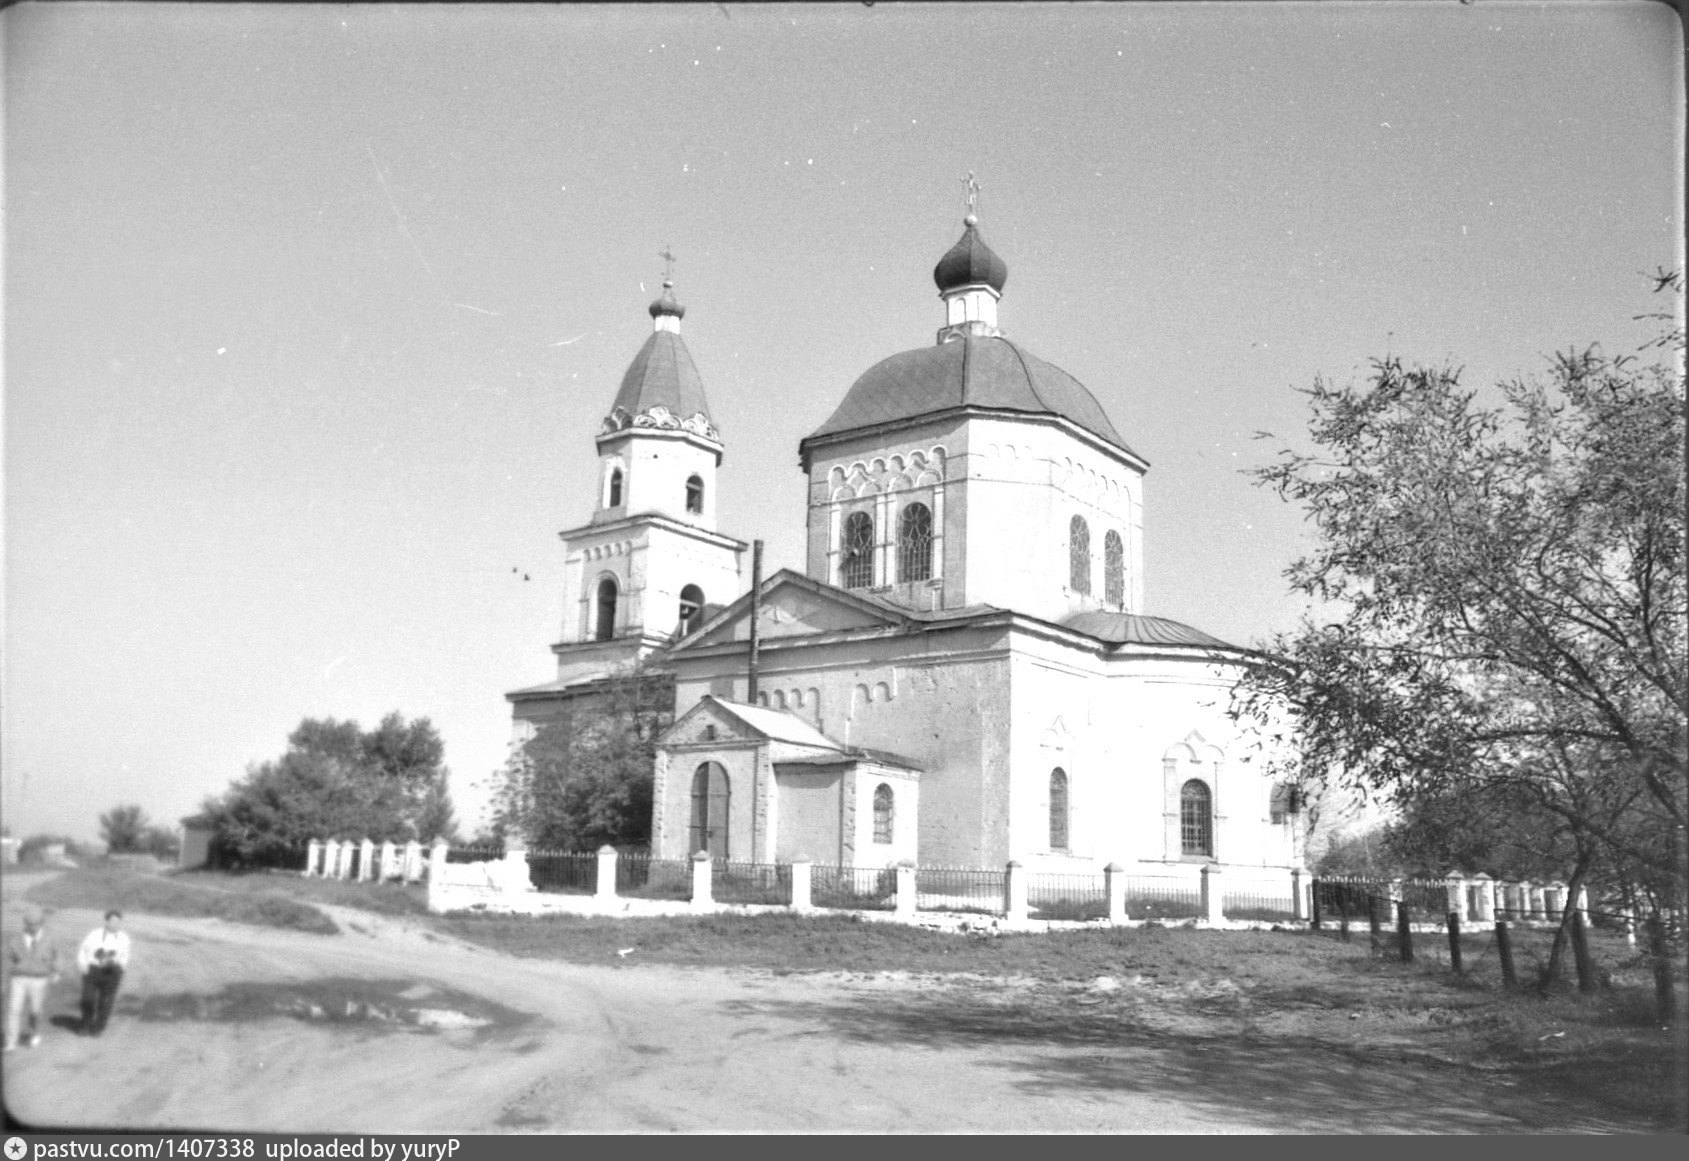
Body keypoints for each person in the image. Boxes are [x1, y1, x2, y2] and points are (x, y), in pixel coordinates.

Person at [4, 906, 60, 1051]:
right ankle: (11, 1042)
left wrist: (56, 972)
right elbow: (8, 959)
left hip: (39, 979)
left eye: (36, 923)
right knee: (13, 1010)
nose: (33, 927)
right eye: (29, 923)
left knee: (35, 1010)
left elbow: (57, 957)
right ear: (25, 922)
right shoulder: (16, 940)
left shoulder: (50, 939)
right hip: (19, 978)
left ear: (42, 922)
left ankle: (33, 1033)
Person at [76, 909, 130, 1037]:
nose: (116, 924)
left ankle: (98, 1028)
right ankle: (85, 1025)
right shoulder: (94, 934)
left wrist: (120, 968)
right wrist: (83, 965)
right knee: (87, 999)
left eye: (118, 922)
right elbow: (83, 950)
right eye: (113, 921)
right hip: (92, 970)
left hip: (112, 972)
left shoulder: (123, 938)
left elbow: (125, 956)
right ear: (106, 921)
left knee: (106, 1002)